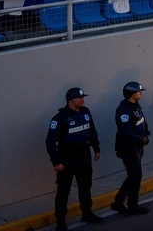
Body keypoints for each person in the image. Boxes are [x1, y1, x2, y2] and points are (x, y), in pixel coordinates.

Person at [45, 87, 102, 230]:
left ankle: (87, 212)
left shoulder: (85, 112)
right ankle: (61, 221)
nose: (82, 100)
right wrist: (56, 161)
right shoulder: (60, 118)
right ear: (71, 100)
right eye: (79, 98)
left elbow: (91, 131)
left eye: (83, 97)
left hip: (84, 155)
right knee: (64, 190)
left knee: (85, 186)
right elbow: (50, 141)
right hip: (67, 158)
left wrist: (96, 148)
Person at [112, 82, 151, 216]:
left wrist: (146, 133)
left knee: (133, 176)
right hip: (128, 148)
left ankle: (118, 202)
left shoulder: (136, 106)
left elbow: (142, 121)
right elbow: (125, 132)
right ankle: (132, 205)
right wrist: (140, 139)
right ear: (131, 94)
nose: (140, 93)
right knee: (136, 176)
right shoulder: (123, 110)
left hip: (138, 146)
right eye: (138, 91)